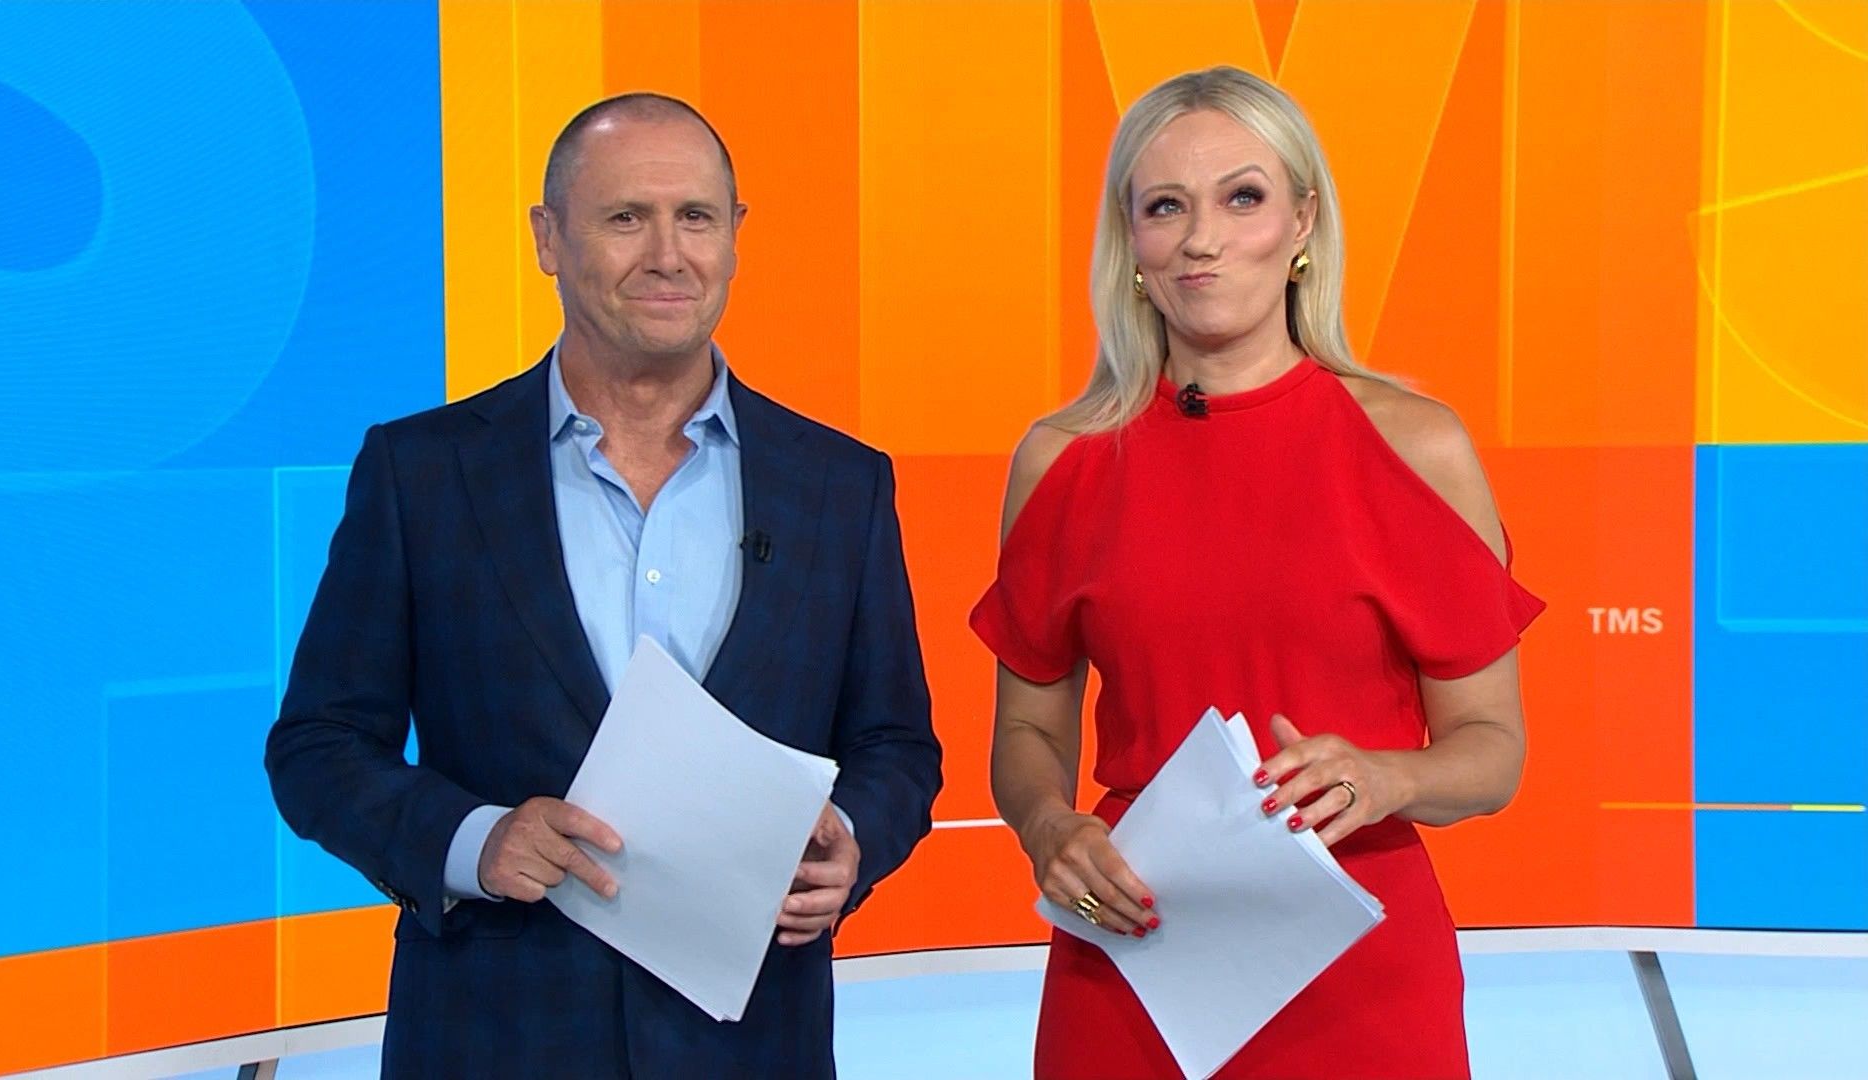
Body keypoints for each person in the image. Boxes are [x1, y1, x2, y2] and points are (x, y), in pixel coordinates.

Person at [267, 92, 942, 1079]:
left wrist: (854, 839)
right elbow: (319, 747)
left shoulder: (840, 484)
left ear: (735, 236)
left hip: (753, 1045)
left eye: (695, 217)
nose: (668, 254)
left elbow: (896, 746)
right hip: (494, 1040)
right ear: (548, 238)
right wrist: (474, 842)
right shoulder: (422, 474)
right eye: (627, 217)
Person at [971, 66, 1544, 1079]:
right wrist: (1047, 825)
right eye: (1166, 207)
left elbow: (1492, 751)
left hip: (1358, 972)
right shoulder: (1062, 460)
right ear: (1130, 241)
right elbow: (1027, 733)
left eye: (1242, 197)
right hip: (1136, 949)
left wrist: (1388, 776)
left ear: (1302, 223)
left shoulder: (1415, 447)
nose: (1202, 238)